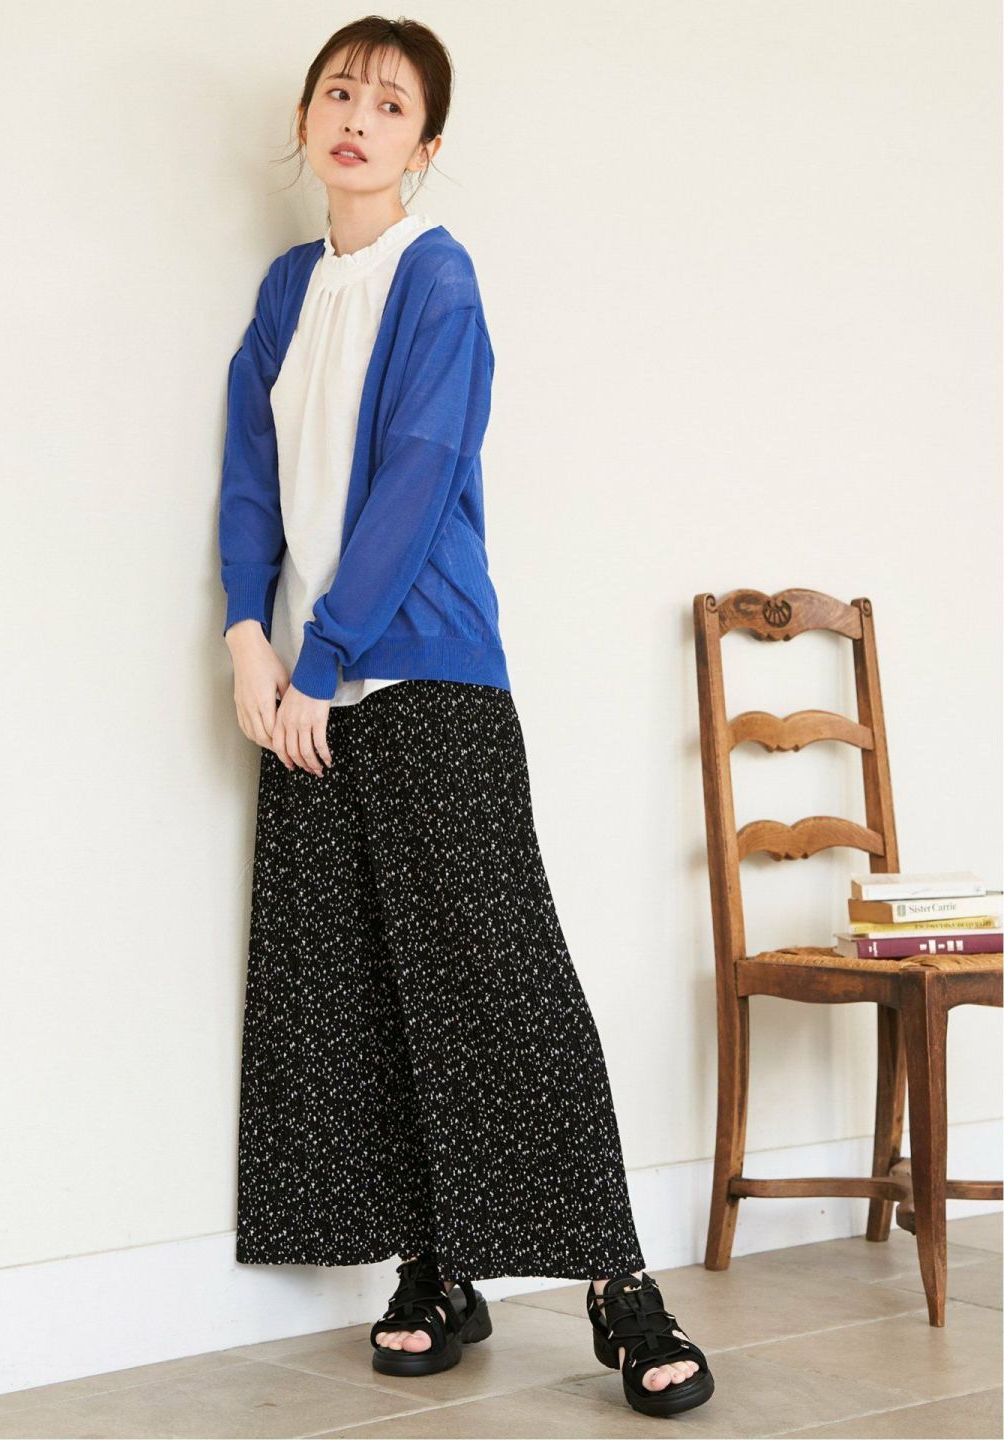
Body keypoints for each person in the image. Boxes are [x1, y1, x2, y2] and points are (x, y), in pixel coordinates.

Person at [217, 15, 714, 1421]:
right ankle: (438, 1272)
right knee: (362, 987)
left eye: (390, 104)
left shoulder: (437, 276)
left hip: (422, 675)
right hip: (303, 692)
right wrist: (248, 635)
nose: (356, 118)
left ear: (425, 147)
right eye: (338, 92)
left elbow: (421, 471)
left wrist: (322, 658)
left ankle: (622, 1290)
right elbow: (250, 473)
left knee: (501, 981)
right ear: (305, 119)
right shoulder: (285, 291)